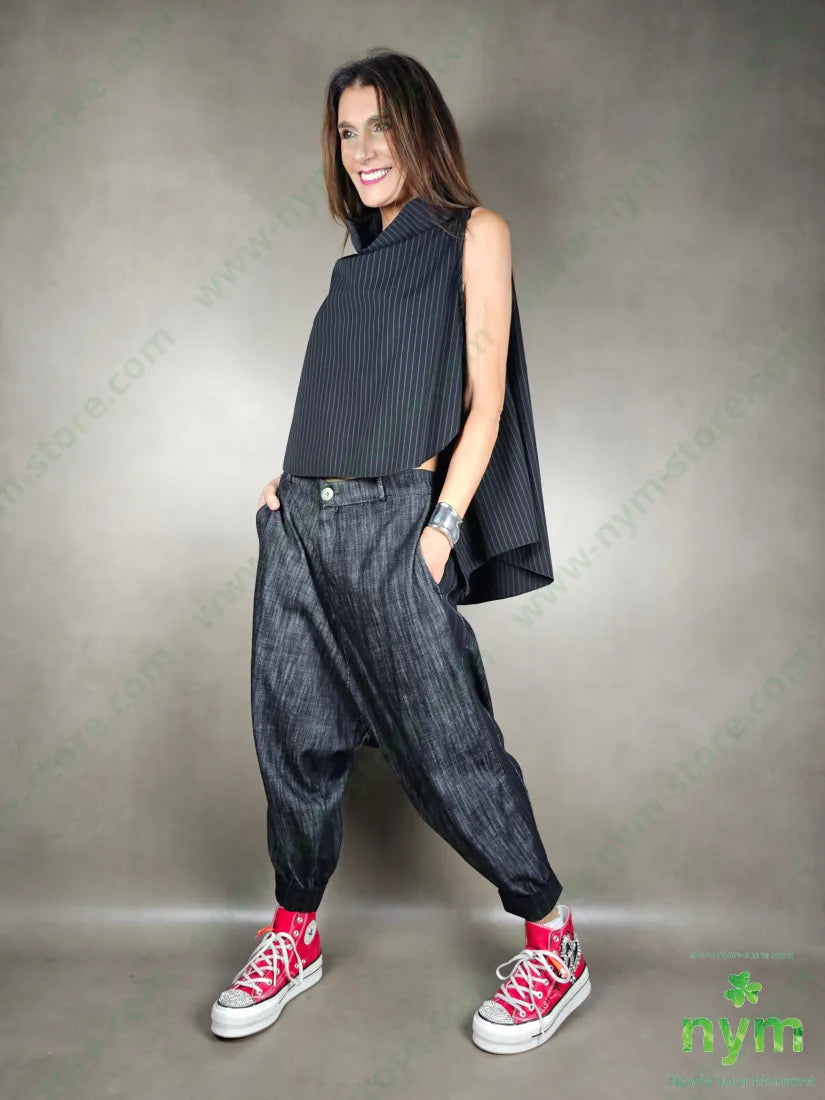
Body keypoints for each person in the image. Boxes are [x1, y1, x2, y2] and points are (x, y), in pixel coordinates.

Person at [211, 49, 592, 1055]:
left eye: (379, 125)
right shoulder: (354, 263)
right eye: (346, 132)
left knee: (448, 745)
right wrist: (286, 483)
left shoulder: (476, 234)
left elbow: (485, 398)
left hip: (397, 524)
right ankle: (294, 934)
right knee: (294, 741)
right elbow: (349, 390)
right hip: (301, 523)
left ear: (418, 127)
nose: (362, 149)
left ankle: (552, 939)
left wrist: (438, 531)